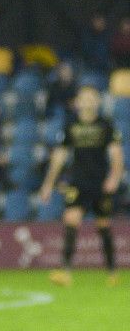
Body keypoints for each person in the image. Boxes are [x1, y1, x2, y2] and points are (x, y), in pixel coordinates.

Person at [39, 86, 124, 287]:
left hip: (99, 184)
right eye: (84, 98)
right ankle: (65, 271)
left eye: (92, 98)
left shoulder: (106, 126)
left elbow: (116, 155)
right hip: (77, 183)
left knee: (103, 226)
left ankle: (112, 271)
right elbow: (59, 157)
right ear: (77, 103)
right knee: (71, 221)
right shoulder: (70, 126)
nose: (88, 101)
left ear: (98, 102)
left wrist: (114, 177)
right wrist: (48, 184)